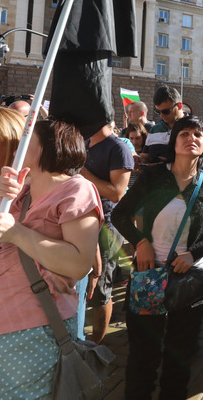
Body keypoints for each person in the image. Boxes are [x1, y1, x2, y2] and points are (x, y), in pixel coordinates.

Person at [0, 120, 102, 399]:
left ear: (48, 147)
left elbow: (79, 264)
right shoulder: (20, 192)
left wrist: (15, 232)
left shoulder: (76, 190)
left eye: (27, 138)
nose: (17, 145)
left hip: (30, 331)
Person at [112, 116, 203, 400]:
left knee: (180, 355)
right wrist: (141, 242)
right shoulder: (154, 177)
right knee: (143, 354)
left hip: (189, 282)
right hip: (149, 276)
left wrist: (193, 253)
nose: (192, 139)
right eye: (184, 134)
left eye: (198, 135)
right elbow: (119, 214)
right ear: (174, 142)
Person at [81, 123, 134, 344]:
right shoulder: (83, 144)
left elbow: (117, 193)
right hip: (79, 223)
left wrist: (82, 172)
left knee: (101, 291)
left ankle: (96, 346)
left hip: (106, 228)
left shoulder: (117, 148)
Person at [144, 86, 185, 164]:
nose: (161, 115)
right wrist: (139, 160)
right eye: (158, 111)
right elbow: (145, 156)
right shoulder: (154, 130)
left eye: (166, 111)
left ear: (179, 106)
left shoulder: (195, 128)